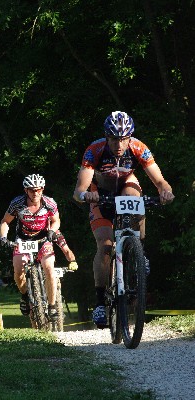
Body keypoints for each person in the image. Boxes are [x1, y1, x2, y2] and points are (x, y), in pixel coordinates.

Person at [73, 111, 174, 327]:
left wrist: (166, 191)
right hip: (99, 191)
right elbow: (79, 189)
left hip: (126, 185)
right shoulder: (94, 150)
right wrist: (86, 195)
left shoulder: (138, 147)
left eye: (124, 138)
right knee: (105, 244)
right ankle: (100, 302)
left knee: (134, 196)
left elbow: (160, 181)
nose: (119, 144)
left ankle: (139, 250)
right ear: (106, 137)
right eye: (114, 139)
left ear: (130, 137)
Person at [0, 174, 77, 322]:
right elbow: (5, 221)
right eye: (32, 190)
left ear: (42, 189)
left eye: (38, 190)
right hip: (22, 240)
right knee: (18, 270)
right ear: (26, 190)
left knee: (49, 268)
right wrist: (3, 238)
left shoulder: (49, 203)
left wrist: (51, 231)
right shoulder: (17, 203)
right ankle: (24, 296)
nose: (35, 193)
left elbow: (56, 221)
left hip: (43, 238)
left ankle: (52, 305)